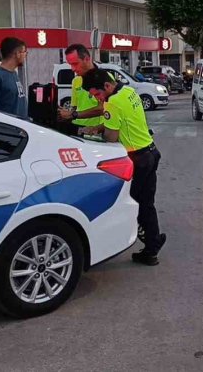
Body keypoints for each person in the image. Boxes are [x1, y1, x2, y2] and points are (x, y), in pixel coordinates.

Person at [80, 68, 166, 266]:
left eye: (97, 94)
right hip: (151, 152)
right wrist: (100, 126)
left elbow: (112, 137)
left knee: (128, 204)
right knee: (146, 203)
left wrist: (92, 134)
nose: (98, 100)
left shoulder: (112, 102)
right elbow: (122, 119)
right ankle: (152, 245)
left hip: (137, 159)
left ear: (107, 86)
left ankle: (136, 242)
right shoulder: (128, 92)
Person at [58, 44, 110, 133]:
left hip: (95, 129)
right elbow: (75, 106)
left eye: (75, 64)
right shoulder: (76, 81)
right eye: (70, 65)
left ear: (86, 59)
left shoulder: (105, 78)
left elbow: (104, 108)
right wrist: (65, 114)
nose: (72, 69)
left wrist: (74, 114)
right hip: (77, 126)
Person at [0, 37, 29, 118]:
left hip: (22, 127)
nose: (25, 56)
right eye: (25, 52)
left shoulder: (14, 73)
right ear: (18, 54)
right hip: (8, 129)